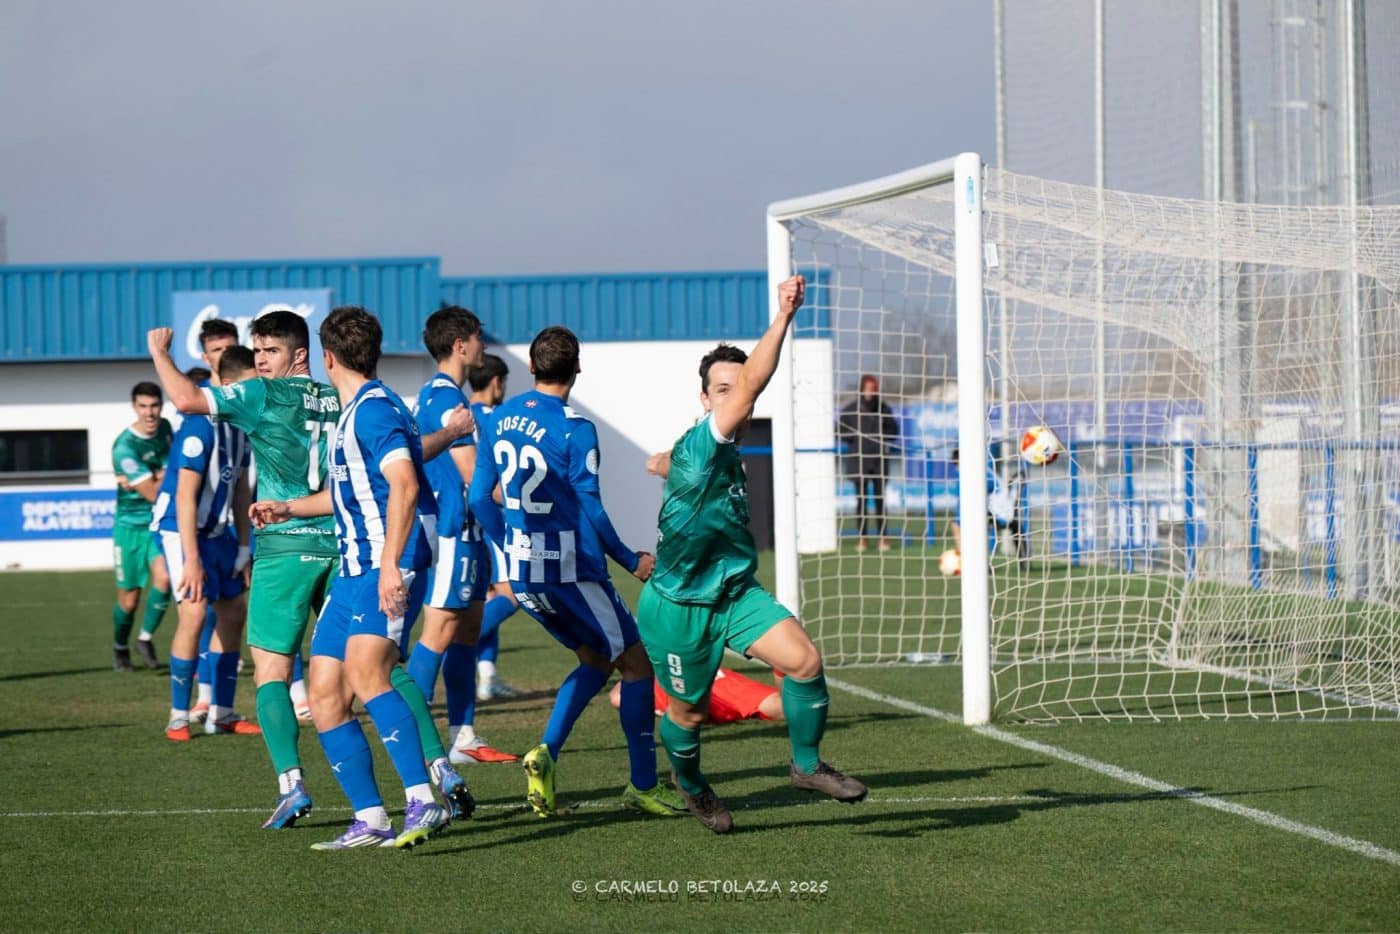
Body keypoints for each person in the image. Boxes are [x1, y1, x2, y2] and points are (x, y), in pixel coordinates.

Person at [149, 312, 472, 829]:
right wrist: (447, 432)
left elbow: (187, 401)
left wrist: (160, 354)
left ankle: (292, 783)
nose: (258, 361)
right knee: (375, 667)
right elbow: (403, 454)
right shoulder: (341, 400)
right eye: (255, 352)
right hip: (341, 544)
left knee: (274, 669)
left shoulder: (263, 395)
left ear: (303, 354)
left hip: (288, 552)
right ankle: (436, 768)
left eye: (269, 351)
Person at [639, 274, 867, 835]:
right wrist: (784, 316)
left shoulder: (713, 454)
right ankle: (691, 784)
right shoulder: (705, 441)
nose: (735, 395)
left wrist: (661, 464)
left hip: (735, 593)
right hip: (679, 606)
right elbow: (750, 388)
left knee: (804, 662)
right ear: (705, 399)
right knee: (688, 714)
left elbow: (673, 465)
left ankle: (806, 766)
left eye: (735, 388)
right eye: (724, 389)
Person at [252, 307, 459, 850]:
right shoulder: (352, 412)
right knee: (323, 692)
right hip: (351, 569)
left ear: (326, 357)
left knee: (369, 673)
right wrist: (289, 508)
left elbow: (405, 485)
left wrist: (391, 564)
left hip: (384, 564)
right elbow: (346, 495)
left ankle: (423, 799)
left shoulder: (372, 409)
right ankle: (371, 817)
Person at [468, 326, 685, 820]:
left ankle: (544, 753)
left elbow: (480, 499)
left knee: (594, 662)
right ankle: (644, 785)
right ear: (578, 367)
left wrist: (513, 546)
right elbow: (592, 510)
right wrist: (632, 560)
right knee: (636, 666)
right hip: (573, 573)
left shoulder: (498, 419)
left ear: (531, 365)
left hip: (525, 575)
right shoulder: (575, 427)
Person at [409, 308, 516, 765]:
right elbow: (472, 473)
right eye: (478, 339)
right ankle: (413, 734)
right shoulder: (446, 399)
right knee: (439, 631)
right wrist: (516, 518)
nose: (483, 347)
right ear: (459, 345)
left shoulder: (449, 395)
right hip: (455, 530)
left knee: (468, 630)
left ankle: (463, 736)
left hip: (468, 531)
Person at [155, 346, 259, 741]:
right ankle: (179, 715)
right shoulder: (199, 425)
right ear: (229, 386)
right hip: (182, 531)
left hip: (218, 533)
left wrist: (245, 547)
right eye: (252, 386)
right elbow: (184, 497)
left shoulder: (242, 426)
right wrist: (192, 560)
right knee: (195, 613)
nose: (258, 394)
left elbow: (239, 493)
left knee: (233, 612)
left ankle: (224, 712)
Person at [466, 353, 522, 702]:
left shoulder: (459, 414)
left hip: (465, 519)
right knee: (513, 594)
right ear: (497, 382)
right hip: (491, 516)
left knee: (488, 597)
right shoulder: (492, 418)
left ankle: (487, 678)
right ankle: (455, 644)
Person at [111, 381, 174, 671]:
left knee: (164, 579)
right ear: (134, 408)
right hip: (129, 528)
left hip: (157, 523)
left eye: (154, 406)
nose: (150, 413)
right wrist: (166, 473)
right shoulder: (125, 447)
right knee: (129, 600)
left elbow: (156, 485)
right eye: (143, 407)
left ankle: (145, 638)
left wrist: (157, 476)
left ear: (161, 406)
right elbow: (152, 492)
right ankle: (120, 646)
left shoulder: (166, 430)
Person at [837, 374, 901, 552]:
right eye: (867, 389)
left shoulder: (883, 409)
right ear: (861, 389)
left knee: (880, 500)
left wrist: (882, 438)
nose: (869, 392)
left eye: (873, 389)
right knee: (861, 501)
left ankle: (883, 538)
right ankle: (862, 539)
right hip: (858, 462)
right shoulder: (850, 410)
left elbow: (894, 430)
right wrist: (855, 437)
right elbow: (840, 431)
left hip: (879, 461)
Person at [609, 667, 786, 725]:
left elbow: (617, 697)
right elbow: (616, 697)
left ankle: (785, 667)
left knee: (789, 708)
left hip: (714, 683)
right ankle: (786, 667)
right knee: (789, 708)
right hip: (708, 690)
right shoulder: (651, 695)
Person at [949, 446, 1024, 562]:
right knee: (963, 522)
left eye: (957, 464)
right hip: (999, 510)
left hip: (1002, 513)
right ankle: (971, 559)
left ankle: (970, 561)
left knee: (960, 524)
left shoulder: (974, 474)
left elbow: (972, 498)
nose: (957, 468)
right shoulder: (980, 470)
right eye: (956, 465)